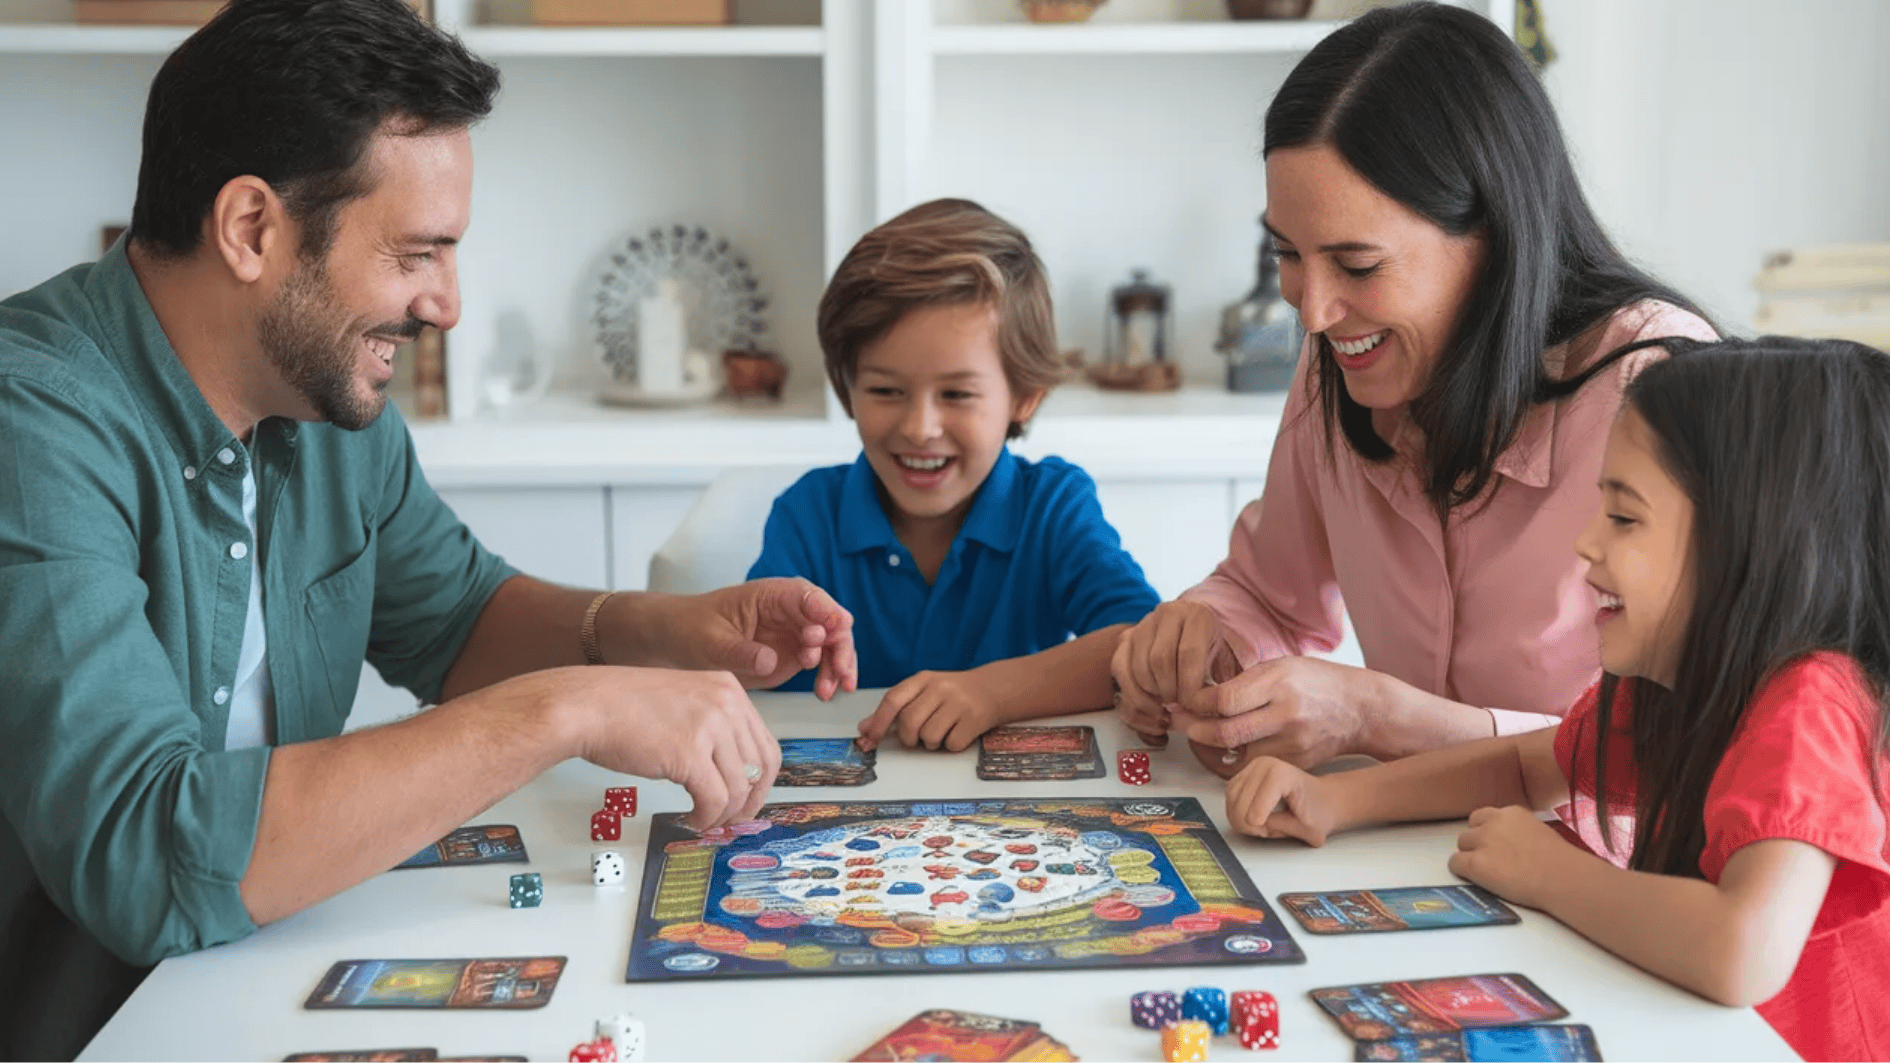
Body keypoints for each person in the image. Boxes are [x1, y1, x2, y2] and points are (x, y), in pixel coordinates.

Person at [0, 2, 854, 1058]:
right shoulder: (29, 423)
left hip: (262, 981)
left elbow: (456, 621)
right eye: (417, 253)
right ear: (252, 229)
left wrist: (663, 632)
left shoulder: (320, 401)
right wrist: (566, 709)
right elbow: (143, 852)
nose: (446, 304)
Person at [1225, 336, 1890, 1062]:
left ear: (1753, 544)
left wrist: (1549, 871)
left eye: (1625, 518)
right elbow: (1521, 766)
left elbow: (1742, 948)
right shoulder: (1677, 682)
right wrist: (1340, 801)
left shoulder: (1810, 702)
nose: (1586, 542)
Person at [1111, 1, 1716, 777]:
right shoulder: (1341, 357)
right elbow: (1270, 594)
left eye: (1358, 265)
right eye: (1288, 253)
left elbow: (1693, 745)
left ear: (1491, 236)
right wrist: (1205, 639)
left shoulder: (1660, 388)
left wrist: (1379, 719)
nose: (1315, 311)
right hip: (1427, 860)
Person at [748, 198, 1161, 753]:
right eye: (886, 391)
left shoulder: (1053, 506)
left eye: (957, 394)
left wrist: (995, 693)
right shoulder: (807, 516)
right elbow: (750, 677)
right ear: (847, 390)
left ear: (1025, 396)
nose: (920, 428)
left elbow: (1142, 649)